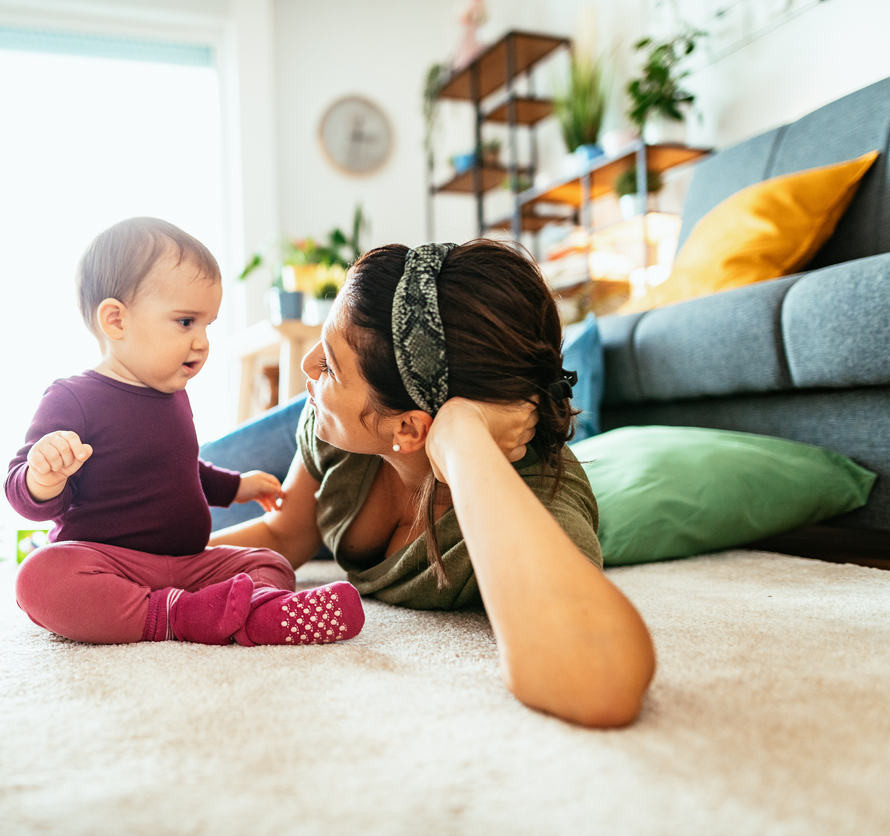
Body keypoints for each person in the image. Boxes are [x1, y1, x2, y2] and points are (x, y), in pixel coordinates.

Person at [209, 240, 655, 726]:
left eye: (331, 367)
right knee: (191, 478)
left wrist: (462, 435)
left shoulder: (541, 493)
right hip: (371, 431)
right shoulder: (337, 430)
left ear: (410, 427)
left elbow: (602, 683)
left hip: (463, 447)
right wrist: (138, 568)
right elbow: (280, 535)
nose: (306, 366)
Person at [7, 217, 365, 647]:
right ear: (116, 321)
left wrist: (237, 487)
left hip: (188, 562)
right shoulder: (73, 398)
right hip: (110, 562)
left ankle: (258, 613)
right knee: (39, 577)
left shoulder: (173, 394)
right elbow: (20, 490)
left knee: (270, 562)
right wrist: (43, 477)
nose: (202, 342)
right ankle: (178, 615)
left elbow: (183, 470)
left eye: (207, 325)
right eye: (185, 322)